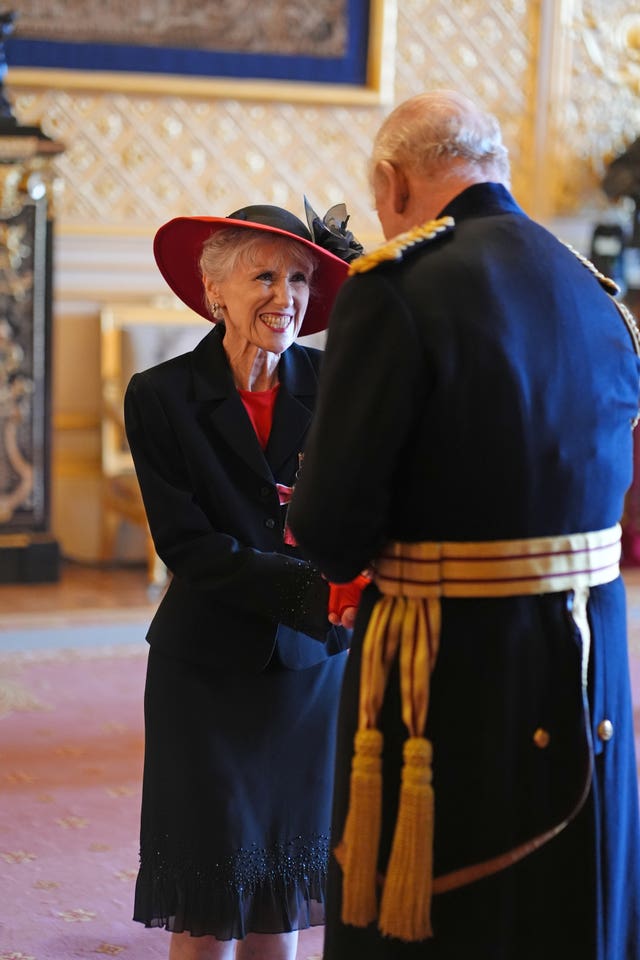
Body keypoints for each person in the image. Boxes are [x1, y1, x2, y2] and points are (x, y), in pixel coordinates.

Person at [288, 90, 640, 959]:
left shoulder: (395, 289)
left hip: (450, 668)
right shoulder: (597, 294)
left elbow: (332, 530)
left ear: (391, 180)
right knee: (566, 909)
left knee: (449, 923)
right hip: (593, 654)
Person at [124, 200, 365, 960]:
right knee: (207, 891)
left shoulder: (338, 384)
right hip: (206, 670)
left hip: (310, 673)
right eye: (264, 275)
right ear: (214, 290)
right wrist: (313, 592)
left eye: (298, 278)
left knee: (282, 896)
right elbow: (188, 545)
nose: (286, 296)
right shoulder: (160, 396)